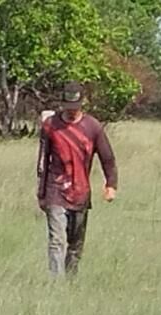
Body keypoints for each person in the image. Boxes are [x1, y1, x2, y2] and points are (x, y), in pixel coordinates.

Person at [36, 82, 118, 276]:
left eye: (76, 107)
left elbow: (108, 158)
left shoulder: (93, 127)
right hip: (55, 190)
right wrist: (41, 193)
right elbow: (42, 161)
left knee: (75, 243)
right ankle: (56, 284)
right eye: (68, 107)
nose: (72, 111)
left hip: (81, 192)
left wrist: (111, 184)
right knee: (57, 240)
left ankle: (70, 280)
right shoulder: (50, 126)